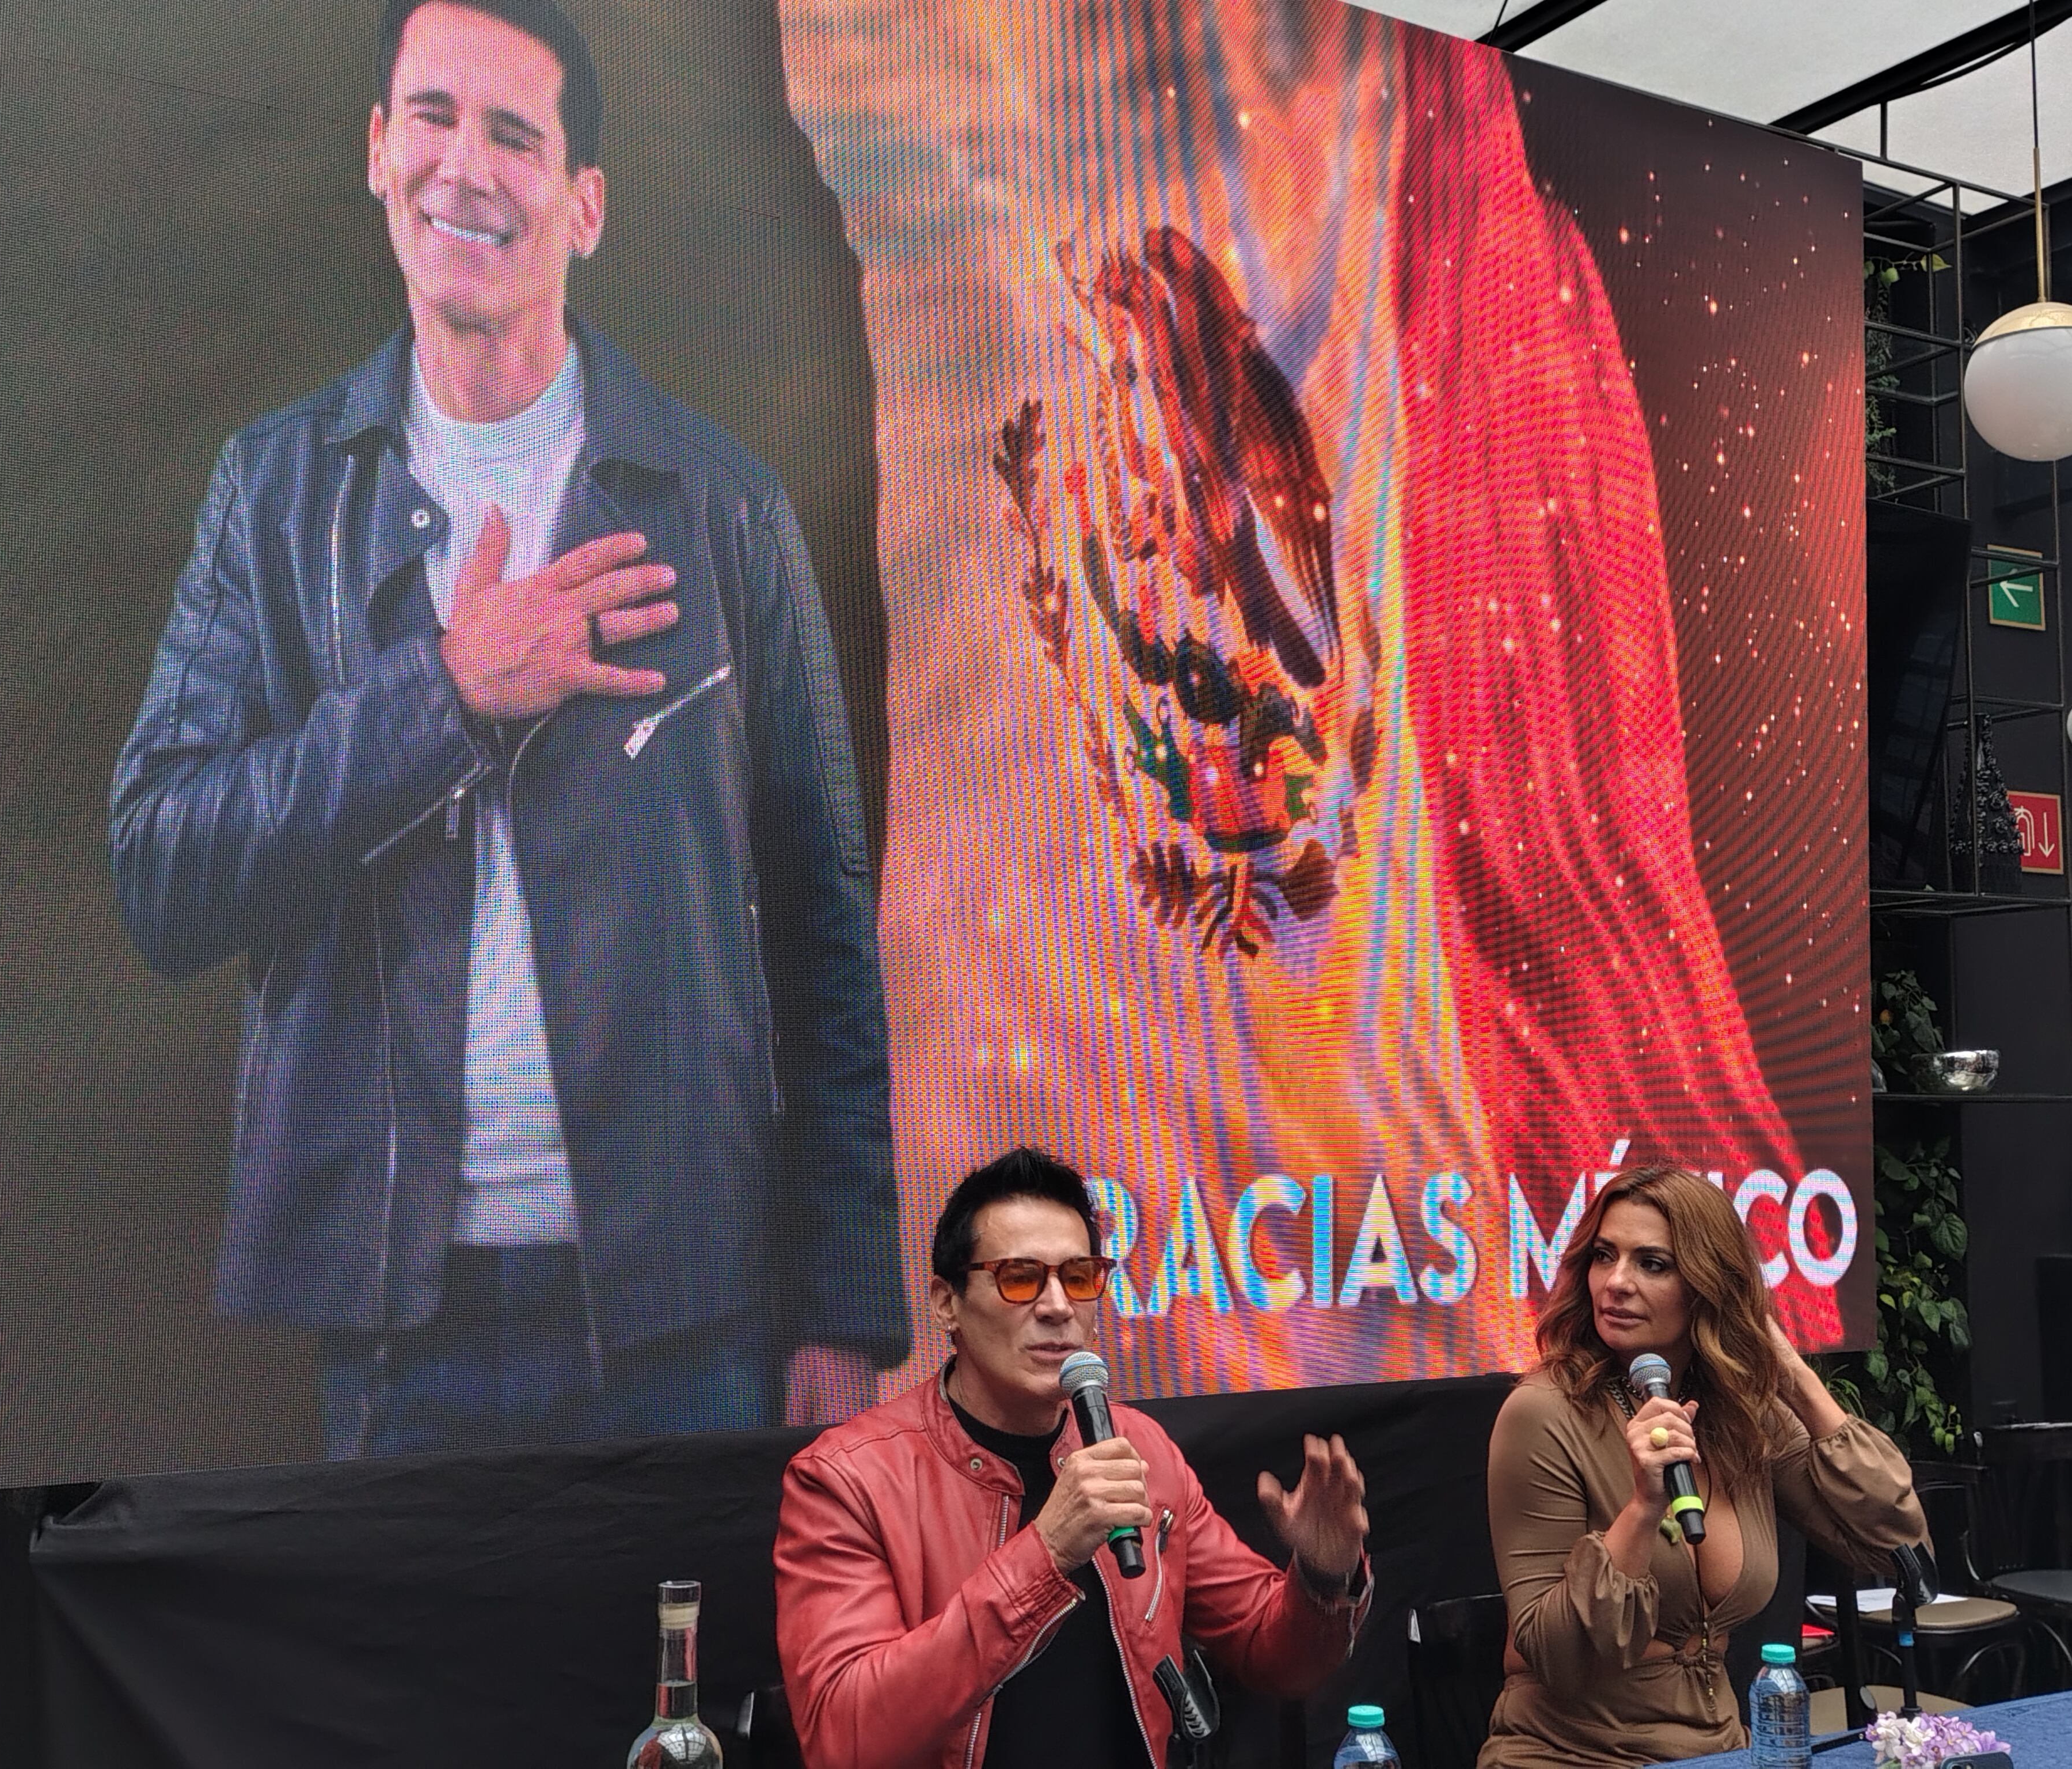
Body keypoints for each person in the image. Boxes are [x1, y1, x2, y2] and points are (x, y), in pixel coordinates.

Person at [108, 0, 902, 1457]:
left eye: (513, 134)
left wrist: (842, 1311)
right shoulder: (274, 493)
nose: (461, 167)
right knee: (429, 1696)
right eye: (429, 116)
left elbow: (824, 937)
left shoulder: (721, 508)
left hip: (692, 1318)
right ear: (373, 151)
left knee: (691, 1693)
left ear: (583, 205)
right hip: (404, 1330)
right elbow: (163, 871)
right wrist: (448, 690)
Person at [772, 1148, 1373, 1769]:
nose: (1058, 1305)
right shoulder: (846, 1479)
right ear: (946, 1302)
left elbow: (1272, 1655)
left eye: (1079, 1277)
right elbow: (846, 1739)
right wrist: (1047, 1550)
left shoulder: (1139, 1449)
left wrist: (1322, 1578)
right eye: (1020, 1277)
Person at [1480, 1165, 1925, 1767]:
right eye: (1603, 1256)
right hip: (1572, 1754)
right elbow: (1556, 1657)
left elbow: (1894, 1541)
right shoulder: (1543, 1413)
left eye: (1652, 1264)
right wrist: (1642, 1510)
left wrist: (1791, 1375)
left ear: (1707, 1285)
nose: (1616, 1282)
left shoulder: (1743, 1414)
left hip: (1720, 1749)